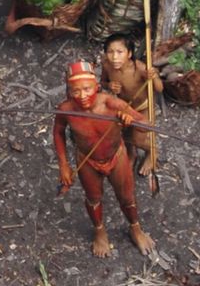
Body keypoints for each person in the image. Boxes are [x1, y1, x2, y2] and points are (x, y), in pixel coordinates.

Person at [54, 60, 155, 257]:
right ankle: (99, 231)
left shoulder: (111, 104)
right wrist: (64, 165)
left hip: (115, 156)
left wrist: (130, 120)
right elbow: (58, 133)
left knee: (126, 196)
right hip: (87, 160)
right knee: (93, 198)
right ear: (68, 91)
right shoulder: (66, 109)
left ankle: (135, 228)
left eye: (87, 89)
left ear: (97, 87)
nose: (82, 96)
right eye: (76, 91)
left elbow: (146, 125)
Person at [100, 33, 163, 176]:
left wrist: (153, 78)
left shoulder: (139, 69)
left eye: (120, 52)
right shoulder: (107, 65)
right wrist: (109, 85)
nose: (114, 57)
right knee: (125, 134)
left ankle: (152, 151)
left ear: (129, 53)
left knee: (138, 138)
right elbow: (102, 82)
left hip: (143, 108)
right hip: (124, 107)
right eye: (110, 52)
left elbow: (159, 89)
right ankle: (131, 154)